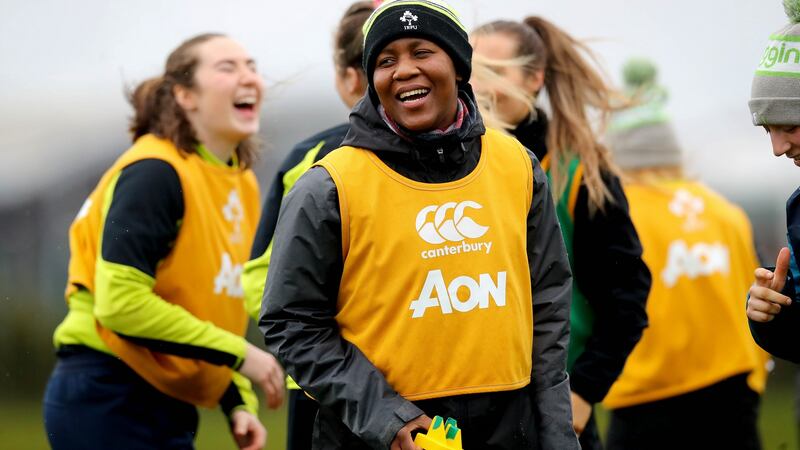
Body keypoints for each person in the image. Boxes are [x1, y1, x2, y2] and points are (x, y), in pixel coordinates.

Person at [260, 0, 579, 448]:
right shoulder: (328, 187)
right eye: (386, 61)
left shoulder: (517, 166)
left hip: (510, 429)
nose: (404, 70)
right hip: (373, 436)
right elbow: (290, 321)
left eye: (422, 51)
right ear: (371, 80)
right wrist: (387, 418)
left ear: (460, 66)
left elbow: (546, 307)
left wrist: (558, 434)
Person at [43, 33, 284, 450]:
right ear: (185, 95)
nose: (249, 77)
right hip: (107, 391)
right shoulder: (154, 172)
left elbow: (206, 302)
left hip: (166, 398)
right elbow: (120, 302)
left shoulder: (240, 183)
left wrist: (235, 399)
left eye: (252, 66)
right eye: (228, 68)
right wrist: (242, 355)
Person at [470, 17, 651, 449]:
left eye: (496, 71)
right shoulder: (455, 165)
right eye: (470, 68)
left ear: (535, 79)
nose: (477, 83)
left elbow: (627, 297)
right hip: (470, 408)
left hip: (553, 408)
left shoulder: (578, 173)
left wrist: (584, 393)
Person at [602, 58, 768, 450]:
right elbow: (754, 301)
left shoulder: (615, 216)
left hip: (645, 399)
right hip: (733, 391)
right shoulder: (724, 211)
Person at [240, 2, 374, 449]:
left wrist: (326, 349)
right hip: (432, 387)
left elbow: (262, 283)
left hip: (322, 387)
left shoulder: (311, 160)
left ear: (347, 77)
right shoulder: (471, 153)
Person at [747, 0, 800, 364]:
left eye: (791, 126)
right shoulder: (798, 206)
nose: (778, 149)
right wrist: (774, 310)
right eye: (769, 130)